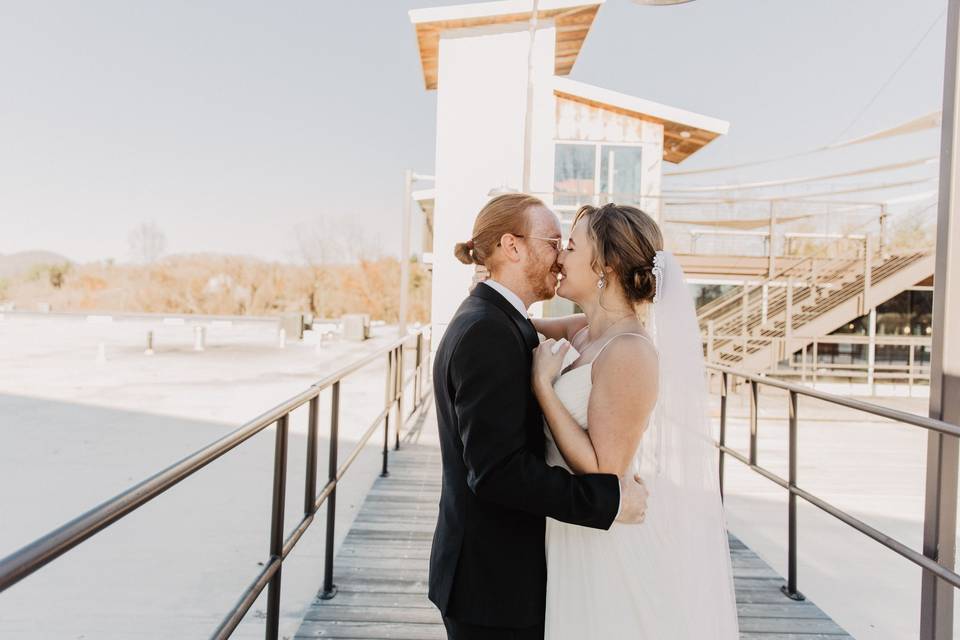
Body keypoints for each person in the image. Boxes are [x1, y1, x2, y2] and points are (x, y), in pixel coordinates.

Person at [429, 194, 649, 640]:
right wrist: (607, 502)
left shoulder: (505, 321)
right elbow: (496, 472)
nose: (561, 256)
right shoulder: (489, 331)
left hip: (516, 571)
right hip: (494, 584)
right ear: (512, 247)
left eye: (569, 246)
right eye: (553, 242)